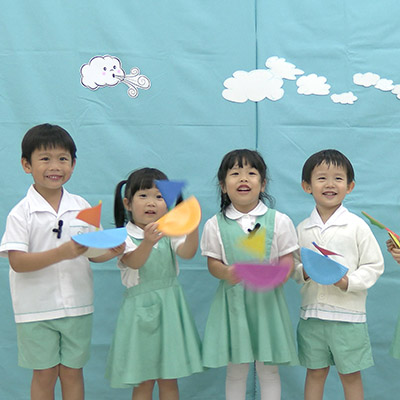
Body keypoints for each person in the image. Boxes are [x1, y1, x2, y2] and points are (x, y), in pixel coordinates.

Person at [0, 123, 124, 400]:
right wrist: (62, 252)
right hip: (36, 310)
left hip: (78, 306)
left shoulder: (81, 206)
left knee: (72, 372)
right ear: (26, 165)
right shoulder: (21, 213)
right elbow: (18, 262)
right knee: (44, 374)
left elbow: (93, 253)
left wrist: (112, 251)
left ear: (73, 164)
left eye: (63, 159)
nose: (55, 166)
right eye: (45, 158)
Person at [200, 149, 299, 400]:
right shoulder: (214, 224)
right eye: (235, 173)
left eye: (251, 173)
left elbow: (287, 260)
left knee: (269, 370)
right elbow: (213, 263)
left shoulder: (280, 221)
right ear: (223, 186)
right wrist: (227, 271)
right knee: (236, 369)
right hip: (233, 304)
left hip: (268, 303)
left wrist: (276, 277)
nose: (243, 178)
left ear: (263, 184)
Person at [293, 149, 384, 400]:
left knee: (350, 375)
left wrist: (347, 282)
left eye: (338, 178)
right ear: (307, 186)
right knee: (315, 372)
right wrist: (305, 272)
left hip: (348, 317)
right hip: (312, 315)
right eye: (321, 178)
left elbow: (374, 265)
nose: (330, 184)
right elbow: (293, 265)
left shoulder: (357, 226)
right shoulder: (302, 229)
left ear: (350, 186)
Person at [105, 167, 203, 400]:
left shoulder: (169, 232)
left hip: (170, 310)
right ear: (128, 203)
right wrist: (147, 242)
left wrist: (192, 229)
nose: (151, 202)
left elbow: (187, 253)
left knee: (169, 378)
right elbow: (134, 262)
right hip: (139, 315)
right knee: (144, 380)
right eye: (143, 195)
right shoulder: (123, 237)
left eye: (159, 197)